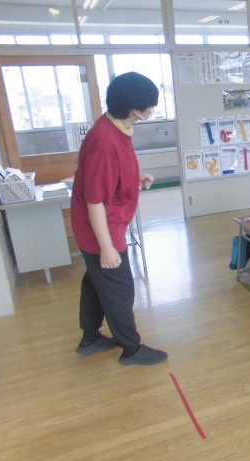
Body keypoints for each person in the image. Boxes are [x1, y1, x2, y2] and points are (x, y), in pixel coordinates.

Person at [71, 72, 168, 366]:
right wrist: (107, 247)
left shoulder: (114, 125)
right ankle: (131, 349)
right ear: (135, 109)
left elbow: (106, 176)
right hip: (101, 228)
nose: (152, 110)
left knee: (96, 281)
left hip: (101, 223)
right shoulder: (104, 140)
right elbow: (95, 200)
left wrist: (134, 179)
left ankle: (90, 338)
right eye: (150, 106)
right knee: (119, 289)